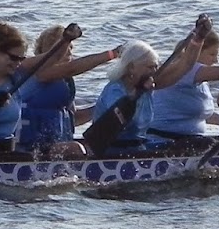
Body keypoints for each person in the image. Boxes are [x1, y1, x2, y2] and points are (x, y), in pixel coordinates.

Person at [0, 23, 82, 156]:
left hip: (6, 150)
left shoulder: (16, 76)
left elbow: (52, 57)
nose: (18, 63)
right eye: (13, 58)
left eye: (21, 59)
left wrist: (66, 39)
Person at [83, 20, 206, 154]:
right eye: (149, 67)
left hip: (139, 148)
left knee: (197, 145)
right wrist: (137, 94)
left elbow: (185, 65)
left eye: (156, 67)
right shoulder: (115, 90)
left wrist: (199, 38)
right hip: (114, 152)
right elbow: (122, 119)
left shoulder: (145, 86)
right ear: (131, 68)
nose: (154, 71)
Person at [18, 25, 118, 151]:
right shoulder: (38, 74)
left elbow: (74, 118)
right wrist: (113, 54)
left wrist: (103, 107)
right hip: (34, 148)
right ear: (45, 52)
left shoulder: (66, 82)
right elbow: (73, 68)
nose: (69, 51)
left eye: (70, 47)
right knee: (77, 149)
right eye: (62, 47)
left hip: (58, 145)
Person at [146, 28, 219, 151]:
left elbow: (202, 115)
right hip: (163, 141)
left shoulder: (199, 79)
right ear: (197, 52)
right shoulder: (187, 70)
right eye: (212, 54)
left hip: (187, 140)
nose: (216, 60)